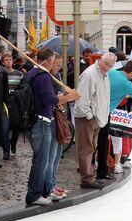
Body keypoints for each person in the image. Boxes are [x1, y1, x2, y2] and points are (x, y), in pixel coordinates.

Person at [23, 48, 79, 204]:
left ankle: (43, 191)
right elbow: (50, 100)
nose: (55, 64)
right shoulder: (43, 76)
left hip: (35, 120)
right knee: (41, 160)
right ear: (48, 61)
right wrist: (69, 97)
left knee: (42, 159)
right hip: (41, 122)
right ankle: (34, 194)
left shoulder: (31, 73)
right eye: (54, 61)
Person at [75, 52, 114, 190]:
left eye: (110, 65)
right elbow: (82, 99)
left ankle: (89, 176)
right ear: (100, 60)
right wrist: (90, 116)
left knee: (91, 148)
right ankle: (87, 179)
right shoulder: (90, 74)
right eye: (105, 63)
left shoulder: (104, 75)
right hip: (88, 118)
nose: (107, 67)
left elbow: (104, 96)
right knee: (86, 149)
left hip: (96, 118)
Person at [108, 61, 132, 174]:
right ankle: (116, 165)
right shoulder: (127, 84)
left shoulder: (111, 73)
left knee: (100, 140)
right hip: (111, 112)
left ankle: (96, 163)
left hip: (99, 109)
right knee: (117, 139)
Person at [2, 51, 23, 156]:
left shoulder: (18, 74)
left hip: (15, 102)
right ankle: (6, 151)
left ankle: (13, 143)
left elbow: (23, 88)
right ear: (3, 62)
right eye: (6, 60)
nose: (8, 61)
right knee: (5, 127)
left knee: (16, 127)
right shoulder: (1, 73)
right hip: (4, 102)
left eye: (10, 59)